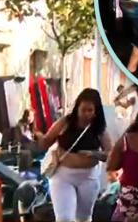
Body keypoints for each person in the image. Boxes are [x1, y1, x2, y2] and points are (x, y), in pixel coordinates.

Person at [39, 88, 112, 222]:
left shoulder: (99, 129)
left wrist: (94, 154)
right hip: (63, 177)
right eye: (83, 109)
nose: (86, 114)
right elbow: (46, 141)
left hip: (88, 178)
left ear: (96, 111)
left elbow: (110, 154)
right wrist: (38, 137)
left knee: (83, 218)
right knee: (64, 219)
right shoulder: (66, 122)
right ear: (77, 108)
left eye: (90, 110)